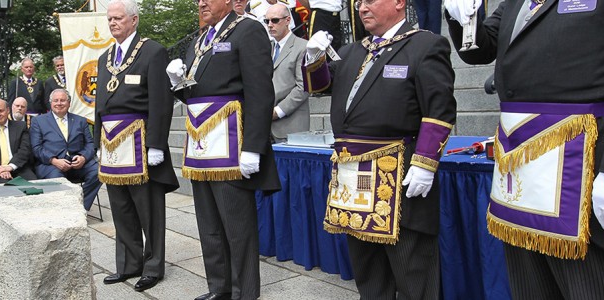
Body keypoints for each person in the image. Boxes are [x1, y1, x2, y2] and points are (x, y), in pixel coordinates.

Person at [443, 0, 604, 298]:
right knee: (530, 286)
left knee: (593, 287)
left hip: (586, 171)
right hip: (521, 177)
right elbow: (481, 50)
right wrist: (464, 18)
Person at [301, 0, 456, 297]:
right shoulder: (351, 51)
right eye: (359, 2)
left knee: (412, 273)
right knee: (368, 272)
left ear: (399, 3)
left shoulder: (425, 45)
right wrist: (313, 58)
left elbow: (440, 110)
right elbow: (319, 86)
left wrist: (424, 162)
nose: (362, 7)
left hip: (397, 176)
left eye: (370, 0)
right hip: (352, 179)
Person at [165, 0, 281, 297]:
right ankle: (220, 288)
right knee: (209, 224)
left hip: (232, 142)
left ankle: (245, 292)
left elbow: (260, 90)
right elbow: (196, 97)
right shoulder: (199, 40)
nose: (201, 2)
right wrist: (178, 83)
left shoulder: (247, 30)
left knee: (237, 227)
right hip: (202, 146)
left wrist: (254, 147)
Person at [95, 0, 180, 293]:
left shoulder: (152, 51)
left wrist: (157, 144)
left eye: (118, 18)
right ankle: (129, 264)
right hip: (111, 143)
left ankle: (153, 266)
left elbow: (161, 100)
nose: (112, 23)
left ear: (133, 20)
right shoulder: (104, 56)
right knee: (120, 207)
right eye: (109, 19)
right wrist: (98, 144)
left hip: (141, 140)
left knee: (148, 210)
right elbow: (99, 106)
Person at [30, 89, 101, 210]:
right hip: (51, 165)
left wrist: (83, 157)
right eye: (55, 100)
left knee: (99, 172)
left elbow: (90, 144)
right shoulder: (38, 121)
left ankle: (79, 207)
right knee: (58, 181)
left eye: (62, 100)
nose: (59, 103)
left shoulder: (81, 120)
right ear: (50, 103)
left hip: (77, 164)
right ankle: (67, 209)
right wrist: (53, 160)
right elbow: (36, 148)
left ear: (69, 103)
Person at [266, 3, 311, 143]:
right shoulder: (267, 48)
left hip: (291, 126)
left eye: (274, 20)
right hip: (265, 127)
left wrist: (278, 111)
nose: (269, 25)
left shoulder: (303, 46)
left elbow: (304, 86)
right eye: (266, 21)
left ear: (288, 20)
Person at [0, 98, 37, 183]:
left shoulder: (21, 127)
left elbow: (25, 150)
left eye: (1, 111)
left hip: (19, 168)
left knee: (33, 184)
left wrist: (10, 166)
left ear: (8, 110)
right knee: (4, 188)